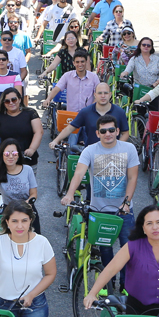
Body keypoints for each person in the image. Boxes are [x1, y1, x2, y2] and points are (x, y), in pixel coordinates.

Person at [60, 114, 140, 272]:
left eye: (111, 130)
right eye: (103, 131)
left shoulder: (128, 148)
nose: (107, 134)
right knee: (105, 250)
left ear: (117, 131)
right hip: (99, 210)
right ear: (97, 134)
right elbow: (78, 174)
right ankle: (107, 282)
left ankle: (126, 284)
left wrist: (127, 202)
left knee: (128, 249)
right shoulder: (90, 150)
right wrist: (69, 194)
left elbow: (132, 177)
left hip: (123, 210)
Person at [50, 81, 128, 148]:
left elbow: (125, 133)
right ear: (95, 95)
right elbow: (70, 128)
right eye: (100, 93)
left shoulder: (119, 112)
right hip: (91, 153)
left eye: (106, 93)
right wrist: (56, 140)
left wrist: (117, 147)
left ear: (110, 94)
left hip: (112, 153)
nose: (103, 96)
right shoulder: (86, 112)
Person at [45, 50, 100, 115]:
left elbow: (99, 94)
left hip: (88, 114)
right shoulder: (67, 76)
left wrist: (92, 107)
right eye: (77, 62)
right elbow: (57, 88)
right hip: (71, 115)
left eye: (82, 62)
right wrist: (48, 99)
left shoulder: (93, 77)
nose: (80, 64)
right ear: (73, 63)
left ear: (86, 62)